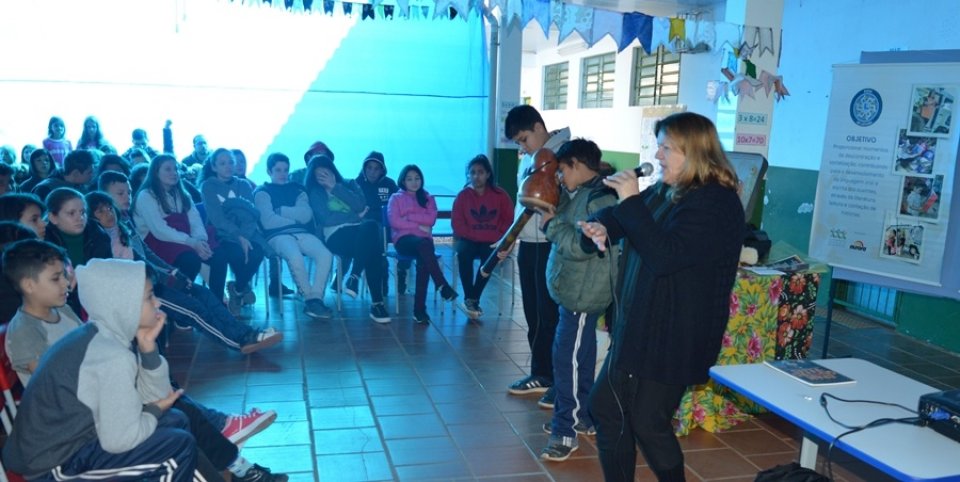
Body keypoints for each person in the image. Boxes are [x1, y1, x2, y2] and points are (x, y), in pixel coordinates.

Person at [1, 254, 288, 482]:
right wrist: (153, 410)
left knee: (177, 420)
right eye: (149, 296)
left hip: (79, 440)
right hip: (53, 464)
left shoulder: (105, 334)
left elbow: (153, 396)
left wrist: (149, 352)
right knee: (176, 448)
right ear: (122, 305)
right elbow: (121, 439)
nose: (158, 302)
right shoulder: (110, 354)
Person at [580, 112, 745, 482]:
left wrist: (629, 200)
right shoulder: (669, 190)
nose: (657, 155)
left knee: (647, 421)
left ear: (695, 152)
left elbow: (665, 255)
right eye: (659, 146)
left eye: (667, 147)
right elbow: (626, 220)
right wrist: (600, 226)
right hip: (640, 326)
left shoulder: (716, 203)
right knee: (607, 407)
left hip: (675, 334)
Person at [89, 181, 284, 355]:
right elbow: (130, 271)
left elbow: (146, 256)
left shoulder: (124, 226)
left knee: (204, 294)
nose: (108, 213)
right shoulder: (99, 242)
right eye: (101, 211)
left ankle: (246, 333)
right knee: (194, 309)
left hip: (154, 281)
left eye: (108, 208)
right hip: (142, 292)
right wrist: (165, 277)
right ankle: (239, 342)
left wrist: (173, 273)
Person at [534, 139, 618, 461]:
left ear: (577, 166)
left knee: (565, 359)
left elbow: (581, 247)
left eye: (562, 170)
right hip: (577, 293)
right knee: (579, 356)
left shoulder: (600, 198)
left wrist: (551, 223)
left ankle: (565, 431)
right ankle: (581, 417)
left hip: (584, 295)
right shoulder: (583, 193)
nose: (559, 178)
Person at [503, 104, 570, 408]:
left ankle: (556, 378)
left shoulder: (565, 154)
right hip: (528, 244)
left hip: (550, 242)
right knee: (533, 313)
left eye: (524, 138)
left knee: (549, 314)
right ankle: (540, 373)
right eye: (518, 142)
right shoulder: (531, 158)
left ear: (539, 127)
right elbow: (523, 205)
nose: (522, 145)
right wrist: (508, 238)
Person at [305, 154, 390, 323]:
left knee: (372, 229)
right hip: (335, 235)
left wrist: (335, 187)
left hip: (360, 231)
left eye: (326, 172)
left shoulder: (349, 184)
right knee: (372, 242)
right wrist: (356, 216)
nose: (323, 177)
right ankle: (376, 302)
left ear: (333, 171)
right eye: (318, 174)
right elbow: (326, 219)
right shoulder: (315, 193)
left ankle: (354, 277)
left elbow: (360, 205)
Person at [133, 154, 227, 304]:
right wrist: (191, 243)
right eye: (168, 169)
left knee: (219, 256)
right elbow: (159, 230)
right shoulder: (146, 196)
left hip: (185, 239)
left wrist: (200, 242)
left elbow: (195, 221)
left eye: (175, 169)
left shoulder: (182, 194)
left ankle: (216, 303)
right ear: (156, 172)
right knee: (190, 261)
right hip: (159, 242)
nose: (174, 172)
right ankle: (181, 303)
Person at [254, 153, 334, 319]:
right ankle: (309, 299)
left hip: (302, 233)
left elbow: (306, 216)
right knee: (295, 256)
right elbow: (268, 222)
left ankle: (316, 298)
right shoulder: (261, 192)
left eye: (285, 170)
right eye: (278, 170)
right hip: (276, 236)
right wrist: (294, 217)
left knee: (325, 255)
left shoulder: (298, 189)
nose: (283, 174)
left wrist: (281, 211)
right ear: (269, 171)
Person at [387, 164, 458, 324]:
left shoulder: (428, 198)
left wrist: (409, 218)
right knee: (425, 250)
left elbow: (431, 220)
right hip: (403, 240)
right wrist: (418, 225)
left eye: (417, 178)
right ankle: (440, 286)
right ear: (403, 181)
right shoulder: (396, 198)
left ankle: (420, 310)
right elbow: (395, 222)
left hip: (424, 243)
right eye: (409, 179)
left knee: (424, 257)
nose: (414, 182)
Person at [200, 148, 265, 314]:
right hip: (222, 234)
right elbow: (217, 218)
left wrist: (245, 236)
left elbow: (251, 214)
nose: (228, 166)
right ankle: (241, 291)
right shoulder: (208, 186)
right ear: (214, 167)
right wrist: (238, 237)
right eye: (222, 163)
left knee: (257, 253)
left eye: (230, 162)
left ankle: (237, 288)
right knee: (235, 254)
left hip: (248, 232)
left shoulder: (243, 184)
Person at [451, 154, 513, 319]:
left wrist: (494, 236)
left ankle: (473, 298)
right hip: (469, 240)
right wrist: (474, 235)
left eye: (480, 172)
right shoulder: (463, 196)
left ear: (488, 174)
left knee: (490, 257)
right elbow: (457, 223)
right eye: (472, 172)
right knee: (463, 253)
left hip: (491, 241)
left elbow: (508, 220)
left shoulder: (500, 195)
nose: (476, 176)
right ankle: (469, 298)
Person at [344, 150, 397, 295]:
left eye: (376, 168)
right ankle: (351, 277)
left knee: (378, 243)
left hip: (384, 228)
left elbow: (399, 206)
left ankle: (360, 278)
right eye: (369, 168)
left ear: (382, 170)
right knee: (371, 241)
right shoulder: (356, 184)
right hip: (362, 226)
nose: (372, 172)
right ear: (364, 168)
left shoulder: (390, 184)